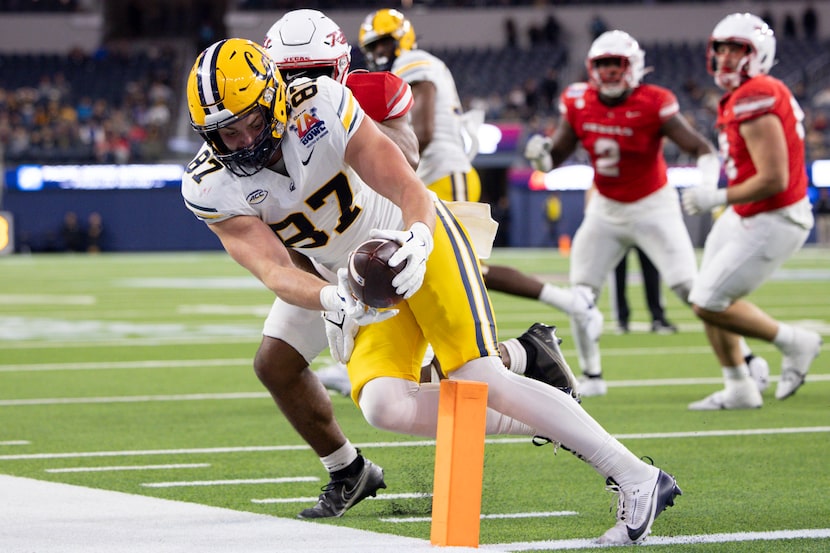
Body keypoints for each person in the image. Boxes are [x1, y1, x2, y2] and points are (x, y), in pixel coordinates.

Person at [183, 37, 681, 545]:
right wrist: (330, 298)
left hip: (412, 237)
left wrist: (420, 238)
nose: (244, 141)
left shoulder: (322, 105)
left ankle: (637, 477)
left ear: (275, 98)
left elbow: (405, 184)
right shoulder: (208, 184)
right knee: (383, 404)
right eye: (226, 133)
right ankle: (552, 411)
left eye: (251, 121)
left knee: (478, 373)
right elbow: (272, 270)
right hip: (357, 280)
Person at [263, 9, 581, 400]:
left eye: (385, 43)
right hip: (383, 209)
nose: (304, 86)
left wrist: (349, 123)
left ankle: (532, 342)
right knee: (403, 317)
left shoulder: (401, 72)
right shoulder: (266, 124)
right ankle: (516, 353)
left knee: (458, 289)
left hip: (432, 181)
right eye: (373, 46)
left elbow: (416, 145)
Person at [524, 30, 769, 397]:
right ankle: (591, 376)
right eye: (602, 64)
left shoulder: (655, 102)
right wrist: (541, 157)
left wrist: (705, 186)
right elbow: (556, 155)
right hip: (606, 208)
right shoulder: (577, 100)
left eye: (615, 64)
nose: (608, 72)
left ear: (633, 67)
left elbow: (701, 148)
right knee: (580, 294)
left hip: (653, 206)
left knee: (693, 290)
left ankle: (747, 359)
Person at [357, 8, 603, 353]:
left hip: (441, 172)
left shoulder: (413, 61)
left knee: (462, 270)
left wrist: (390, 174)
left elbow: (423, 132)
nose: (380, 53)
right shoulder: (406, 66)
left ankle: (569, 307)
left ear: (403, 39)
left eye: (385, 43)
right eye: (375, 47)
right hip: (430, 178)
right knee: (417, 269)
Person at [680, 13, 822, 409]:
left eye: (736, 49)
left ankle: (796, 342)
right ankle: (740, 387)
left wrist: (717, 196)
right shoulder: (747, 92)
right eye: (721, 48)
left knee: (708, 302)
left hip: (775, 216)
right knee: (705, 295)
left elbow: (774, 178)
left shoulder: (755, 94)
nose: (725, 57)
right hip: (748, 213)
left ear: (757, 53)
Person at [611, 246, 677, 334]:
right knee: (619, 270)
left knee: (651, 268)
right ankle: (621, 319)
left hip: (644, 232)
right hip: (620, 232)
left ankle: (657, 318)